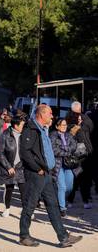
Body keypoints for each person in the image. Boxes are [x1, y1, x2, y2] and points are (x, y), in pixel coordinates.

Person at [19, 105, 82, 248]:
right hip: (36, 173)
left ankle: (64, 237)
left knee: (53, 205)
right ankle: (24, 236)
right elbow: (25, 152)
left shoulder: (43, 129)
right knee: (29, 205)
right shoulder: (31, 129)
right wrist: (37, 168)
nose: (52, 116)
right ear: (41, 114)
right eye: (50, 114)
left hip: (46, 173)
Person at [0, 114, 26, 218]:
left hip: (21, 166)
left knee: (24, 190)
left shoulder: (24, 135)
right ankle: (7, 208)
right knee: (9, 188)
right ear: (15, 125)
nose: (24, 126)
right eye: (22, 124)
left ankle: (25, 210)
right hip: (9, 166)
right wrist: (8, 166)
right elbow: (0, 152)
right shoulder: (5, 135)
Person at [66, 101, 94, 209]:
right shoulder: (76, 119)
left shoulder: (83, 119)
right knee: (79, 177)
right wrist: (78, 126)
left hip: (82, 151)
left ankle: (75, 200)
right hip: (79, 151)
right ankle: (80, 200)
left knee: (80, 177)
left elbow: (90, 128)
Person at [50, 118, 77, 217]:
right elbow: (54, 150)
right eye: (62, 125)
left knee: (69, 186)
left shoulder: (69, 135)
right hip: (58, 164)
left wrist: (66, 150)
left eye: (65, 125)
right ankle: (62, 208)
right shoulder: (52, 135)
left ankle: (60, 199)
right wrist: (66, 151)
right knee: (62, 186)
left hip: (68, 164)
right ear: (57, 126)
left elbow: (74, 146)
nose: (64, 127)